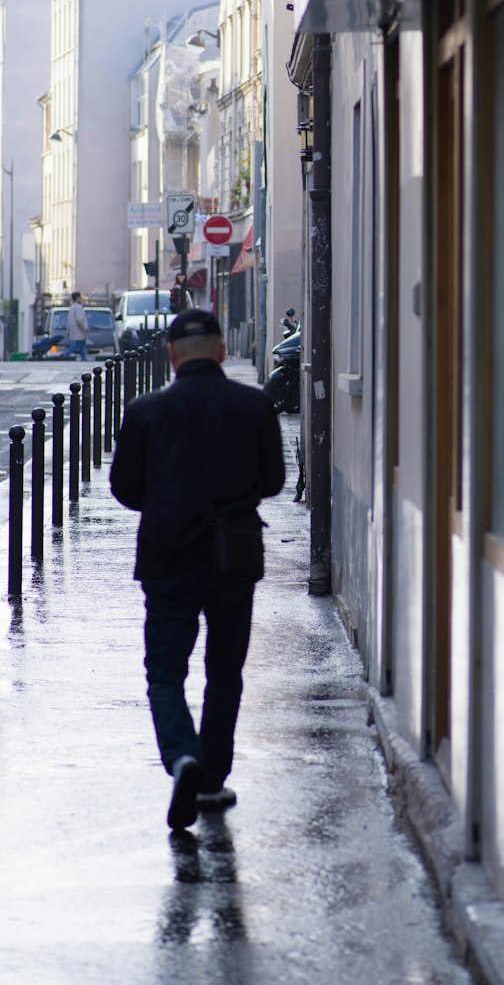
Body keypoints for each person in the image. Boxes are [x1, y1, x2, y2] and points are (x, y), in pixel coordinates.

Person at [109, 308, 284, 830]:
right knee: (224, 671)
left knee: (165, 671)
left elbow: (124, 489)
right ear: (222, 350)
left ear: (170, 354)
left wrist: (168, 503)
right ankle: (211, 780)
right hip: (234, 553)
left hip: (168, 555)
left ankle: (182, 756)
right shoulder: (255, 405)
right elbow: (274, 482)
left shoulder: (145, 411)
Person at [64, 291, 89, 360]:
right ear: (77, 298)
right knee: (79, 342)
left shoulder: (72, 307)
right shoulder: (78, 307)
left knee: (82, 343)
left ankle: (84, 357)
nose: (81, 299)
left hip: (75, 328)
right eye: (80, 297)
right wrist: (84, 327)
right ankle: (67, 353)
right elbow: (80, 318)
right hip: (79, 328)